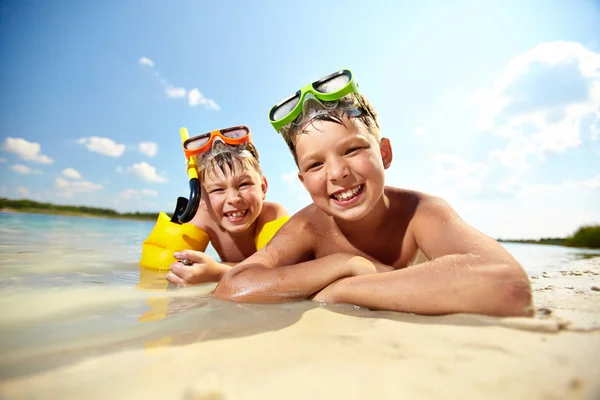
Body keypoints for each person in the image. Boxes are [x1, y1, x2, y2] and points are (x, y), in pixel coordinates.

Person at [213, 70, 533, 317]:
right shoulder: (307, 227)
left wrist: (341, 291)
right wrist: (342, 263)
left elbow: (509, 286)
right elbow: (234, 286)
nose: (337, 173)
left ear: (385, 153)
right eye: (315, 165)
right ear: (303, 181)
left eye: (352, 149)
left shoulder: (421, 213)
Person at [166, 125, 289, 286]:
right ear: (202, 199)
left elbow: (284, 272)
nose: (233, 198)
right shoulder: (202, 220)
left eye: (244, 184)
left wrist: (219, 272)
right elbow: (169, 270)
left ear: (263, 188)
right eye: (218, 189)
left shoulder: (272, 214)